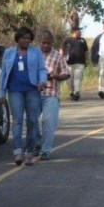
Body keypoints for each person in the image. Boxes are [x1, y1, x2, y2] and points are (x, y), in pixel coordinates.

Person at [0, 26, 48, 166]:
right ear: (18, 38)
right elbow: (3, 74)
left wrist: (42, 81)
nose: (26, 41)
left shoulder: (35, 52)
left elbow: (41, 69)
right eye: (24, 38)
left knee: (32, 120)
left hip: (32, 89)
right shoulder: (8, 53)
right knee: (17, 120)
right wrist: (1, 92)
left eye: (28, 39)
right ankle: (17, 151)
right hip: (14, 91)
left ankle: (29, 152)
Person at [36, 30, 70, 160]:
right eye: (43, 43)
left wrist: (55, 76)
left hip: (51, 93)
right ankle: (37, 145)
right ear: (39, 42)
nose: (45, 46)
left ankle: (45, 150)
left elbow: (66, 73)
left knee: (48, 122)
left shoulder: (57, 56)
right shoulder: (34, 55)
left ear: (52, 43)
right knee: (31, 121)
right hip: (34, 93)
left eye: (48, 43)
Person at [60, 27, 89, 101]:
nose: (80, 32)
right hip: (68, 63)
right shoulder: (67, 40)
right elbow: (61, 50)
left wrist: (87, 60)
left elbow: (86, 51)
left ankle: (77, 92)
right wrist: (60, 60)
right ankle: (71, 92)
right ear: (74, 31)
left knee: (77, 78)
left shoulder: (82, 40)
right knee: (69, 79)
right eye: (79, 30)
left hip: (80, 62)